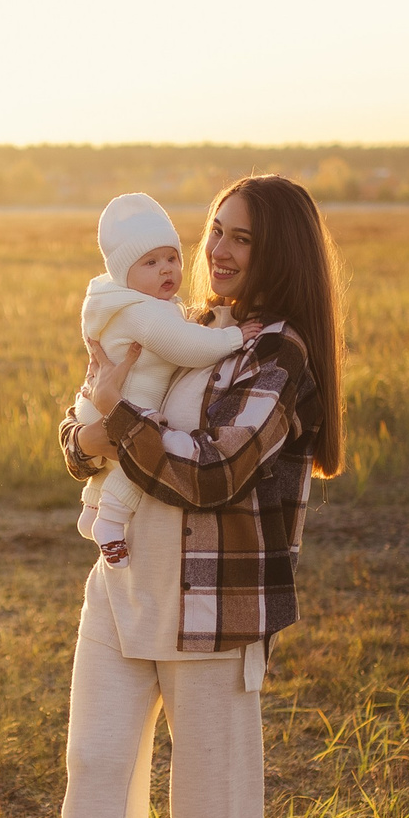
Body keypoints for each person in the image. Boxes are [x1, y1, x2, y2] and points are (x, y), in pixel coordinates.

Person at [21, 175, 346, 818]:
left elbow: (215, 469)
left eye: (242, 237)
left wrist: (116, 421)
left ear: (280, 251)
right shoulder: (181, 322)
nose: (219, 250)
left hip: (214, 604)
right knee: (96, 768)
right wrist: (91, 427)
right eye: (215, 230)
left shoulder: (279, 355)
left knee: (210, 797)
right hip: (122, 590)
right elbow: (80, 429)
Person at [73, 193, 250, 567]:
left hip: (95, 404)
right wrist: (234, 338)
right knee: (141, 454)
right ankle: (110, 522)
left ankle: (91, 510)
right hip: (125, 404)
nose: (166, 270)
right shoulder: (145, 313)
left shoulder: (129, 303)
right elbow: (187, 346)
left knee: (117, 460)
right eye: (150, 263)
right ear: (124, 274)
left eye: (171, 258)